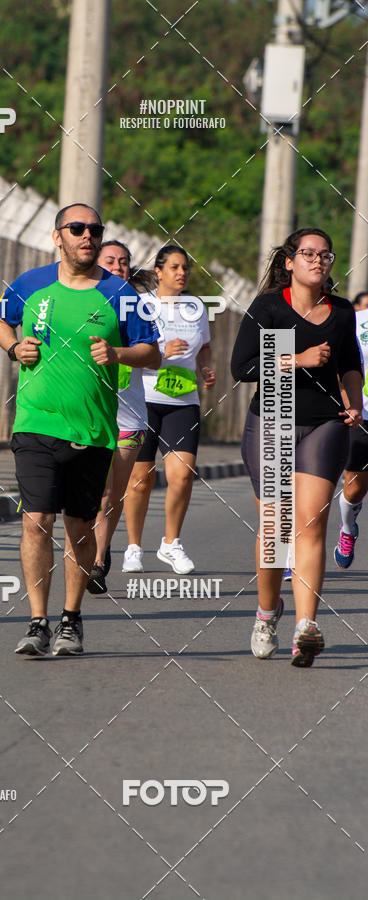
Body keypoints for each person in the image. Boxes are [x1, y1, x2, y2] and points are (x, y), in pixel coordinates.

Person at [0, 203, 159, 656]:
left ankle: (72, 619)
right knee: (36, 522)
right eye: (78, 228)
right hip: (35, 422)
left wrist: (120, 355)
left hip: (93, 429)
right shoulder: (31, 284)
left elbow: (153, 353)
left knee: (80, 528)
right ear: (57, 236)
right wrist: (13, 346)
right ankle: (36, 621)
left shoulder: (121, 293)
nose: (88, 236)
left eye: (96, 230)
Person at [231, 228, 363, 667]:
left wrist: (355, 403)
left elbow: (349, 365)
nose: (318, 261)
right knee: (275, 529)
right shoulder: (269, 308)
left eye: (326, 255)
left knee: (309, 526)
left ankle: (305, 626)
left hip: (324, 424)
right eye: (308, 253)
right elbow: (243, 367)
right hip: (272, 419)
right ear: (289, 262)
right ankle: (267, 613)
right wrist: (297, 360)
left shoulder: (342, 312)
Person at [122, 245, 215, 574]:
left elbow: (204, 345)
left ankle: (170, 543)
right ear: (158, 271)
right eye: (174, 267)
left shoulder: (196, 306)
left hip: (183, 402)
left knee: (182, 476)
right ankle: (133, 546)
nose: (181, 273)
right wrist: (162, 349)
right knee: (140, 481)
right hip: (144, 399)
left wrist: (205, 368)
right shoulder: (143, 305)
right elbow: (131, 348)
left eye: (185, 268)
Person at [86, 241, 161, 594]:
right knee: (91, 492)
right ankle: (88, 552)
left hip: (128, 415)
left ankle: (98, 560)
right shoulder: (77, 301)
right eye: (110, 261)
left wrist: (117, 354)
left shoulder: (138, 307)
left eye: (124, 262)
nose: (118, 267)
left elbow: (154, 359)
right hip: (85, 414)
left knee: (112, 495)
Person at [333, 301, 368, 567]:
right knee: (355, 488)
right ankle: (347, 527)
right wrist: (348, 401)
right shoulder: (357, 321)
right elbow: (342, 364)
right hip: (363, 415)